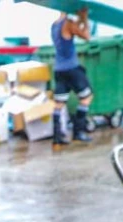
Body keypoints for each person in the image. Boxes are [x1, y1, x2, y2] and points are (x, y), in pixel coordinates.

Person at [51, 7, 94, 148]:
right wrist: (85, 18)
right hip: (72, 69)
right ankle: (78, 132)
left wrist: (80, 18)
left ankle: (57, 137)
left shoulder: (54, 25)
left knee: (59, 103)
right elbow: (87, 36)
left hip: (59, 69)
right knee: (86, 98)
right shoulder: (68, 23)